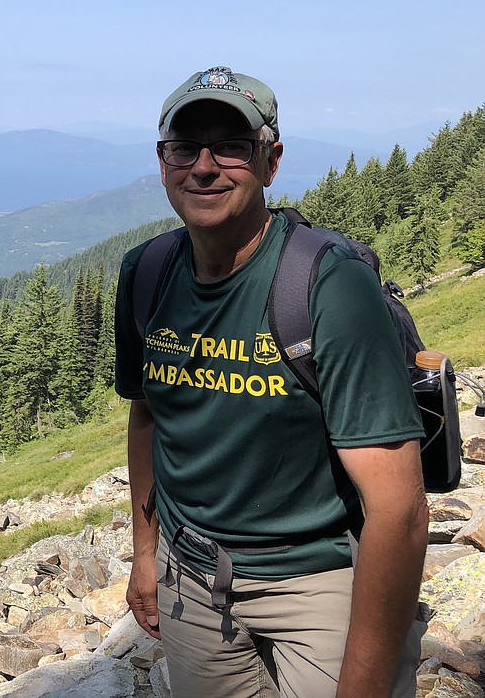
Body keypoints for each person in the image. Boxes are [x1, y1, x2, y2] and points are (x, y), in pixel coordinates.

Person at [113, 66, 429, 698]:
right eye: (186, 147)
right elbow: (149, 418)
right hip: (191, 581)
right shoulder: (147, 274)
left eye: (230, 146)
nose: (204, 166)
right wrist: (146, 554)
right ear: (162, 159)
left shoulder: (328, 285)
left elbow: (399, 507)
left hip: (319, 580)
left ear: (270, 160)